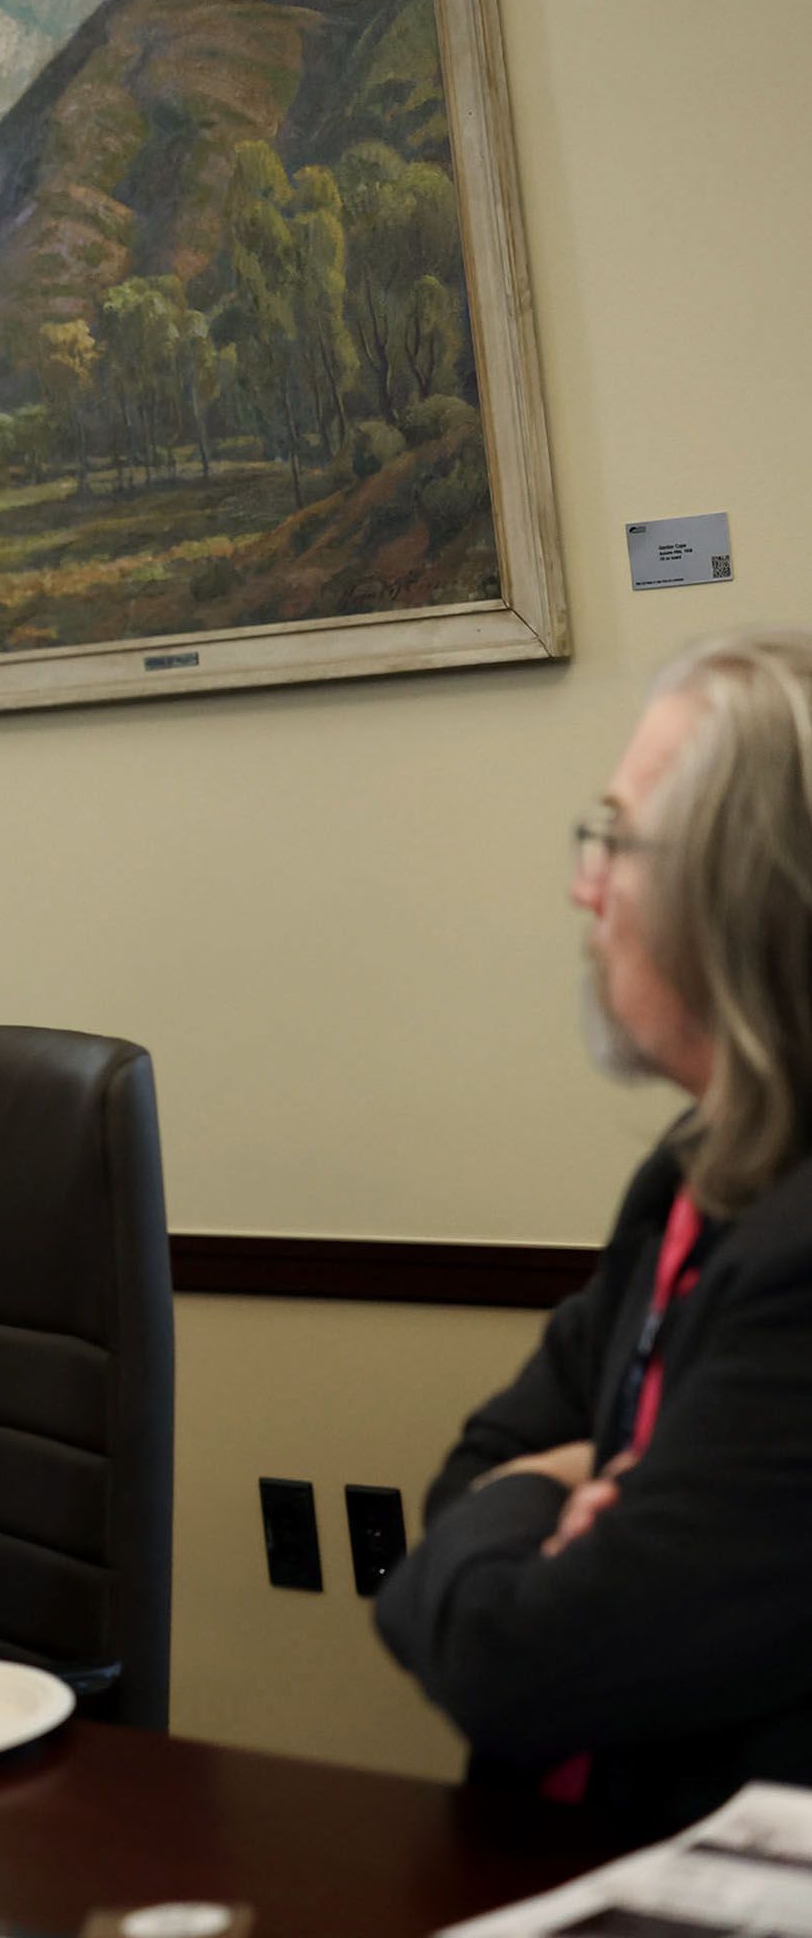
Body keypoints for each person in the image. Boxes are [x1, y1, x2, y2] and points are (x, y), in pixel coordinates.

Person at [378, 632, 812, 1835]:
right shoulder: (694, 1169)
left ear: (736, 891)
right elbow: (473, 1467)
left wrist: (547, 1491)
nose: (585, 885)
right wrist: (563, 1480)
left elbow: (512, 1662)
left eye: (615, 840)